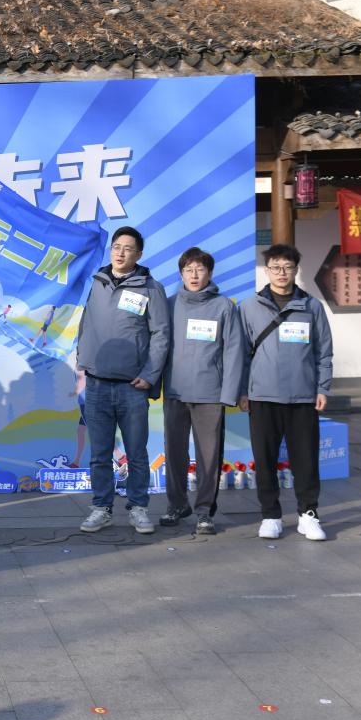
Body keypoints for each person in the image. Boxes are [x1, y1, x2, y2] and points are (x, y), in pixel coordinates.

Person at [76, 227, 171, 536]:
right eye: (116, 246)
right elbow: (86, 322)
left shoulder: (150, 288)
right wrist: (83, 358)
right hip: (97, 385)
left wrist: (150, 375)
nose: (120, 252)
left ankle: (138, 507)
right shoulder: (97, 282)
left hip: (132, 387)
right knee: (99, 454)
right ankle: (101, 508)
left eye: (128, 248)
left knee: (137, 453)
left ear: (138, 254)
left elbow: (161, 334)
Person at [240, 244, 333, 542]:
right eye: (276, 267)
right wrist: (243, 391)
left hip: (302, 396)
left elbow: (323, 352)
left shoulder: (312, 306)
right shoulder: (249, 307)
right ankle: (270, 516)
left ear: (296, 270)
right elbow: (241, 354)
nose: (282, 273)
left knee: (306, 460)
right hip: (262, 396)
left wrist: (322, 387)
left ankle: (309, 515)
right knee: (264, 459)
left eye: (288, 267)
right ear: (267, 271)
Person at [160, 247, 245, 536]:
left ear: (210, 273)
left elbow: (234, 351)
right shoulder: (169, 305)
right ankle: (176, 504)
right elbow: (159, 345)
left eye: (200, 269)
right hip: (175, 391)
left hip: (211, 393)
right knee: (174, 452)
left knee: (209, 456)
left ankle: (205, 511)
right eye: (188, 270)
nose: (194, 275)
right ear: (181, 274)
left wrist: (229, 393)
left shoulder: (224, 307)